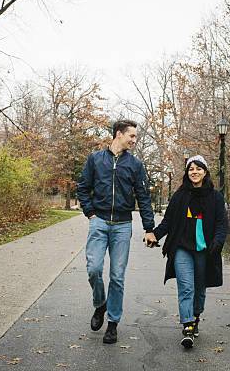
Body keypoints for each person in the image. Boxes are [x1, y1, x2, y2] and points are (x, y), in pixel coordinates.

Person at [77, 120, 155, 344]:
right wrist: (90, 212)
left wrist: (149, 228)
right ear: (118, 134)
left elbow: (143, 197)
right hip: (99, 221)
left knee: (117, 276)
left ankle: (113, 323)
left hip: (122, 225)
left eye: (135, 136)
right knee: (94, 269)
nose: (134, 140)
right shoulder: (95, 159)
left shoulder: (135, 165)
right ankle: (100, 304)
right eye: (131, 136)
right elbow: (83, 187)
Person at [143, 155, 227, 348]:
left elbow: (222, 224)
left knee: (199, 289)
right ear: (187, 173)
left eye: (198, 169)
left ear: (205, 172)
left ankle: (196, 316)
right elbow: (168, 222)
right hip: (181, 247)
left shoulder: (215, 197)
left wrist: (217, 243)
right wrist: (154, 235)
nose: (194, 172)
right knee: (186, 287)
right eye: (191, 169)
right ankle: (187, 326)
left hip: (205, 250)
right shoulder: (180, 196)